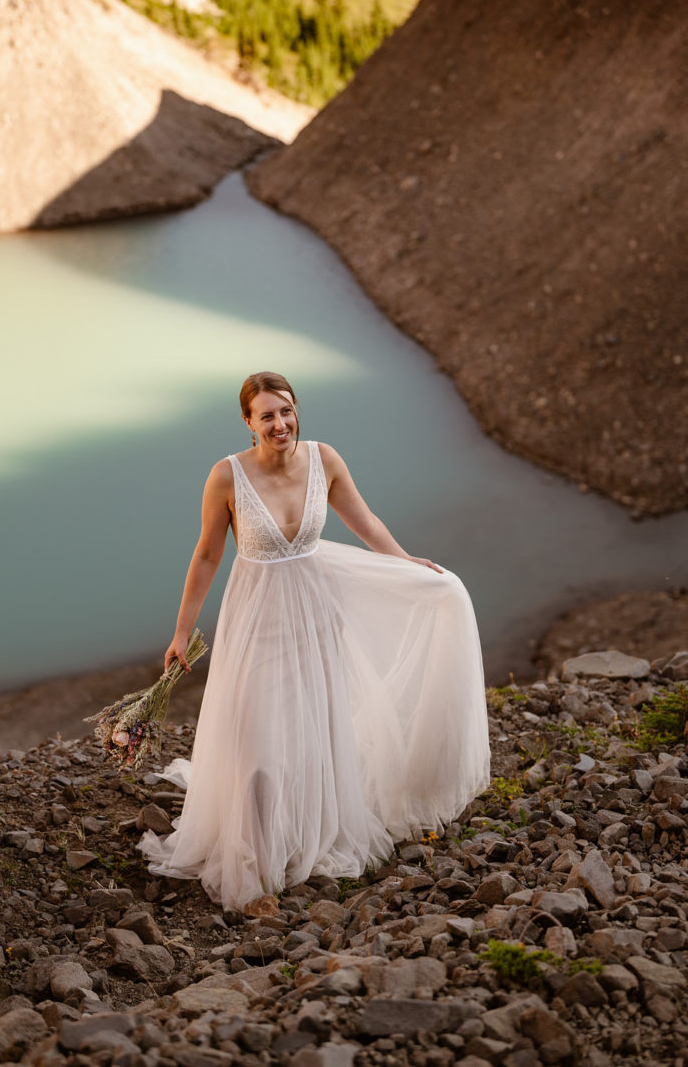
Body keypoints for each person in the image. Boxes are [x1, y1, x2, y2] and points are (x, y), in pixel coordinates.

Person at [138, 371, 490, 911]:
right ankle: (254, 868)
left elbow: (363, 521)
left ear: (296, 409)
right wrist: (182, 631)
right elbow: (208, 553)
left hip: (315, 617)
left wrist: (406, 563)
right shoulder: (226, 477)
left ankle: (305, 833)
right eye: (267, 416)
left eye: (286, 411)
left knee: (311, 734)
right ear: (247, 422)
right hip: (256, 622)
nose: (280, 424)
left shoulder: (325, 460)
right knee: (257, 752)